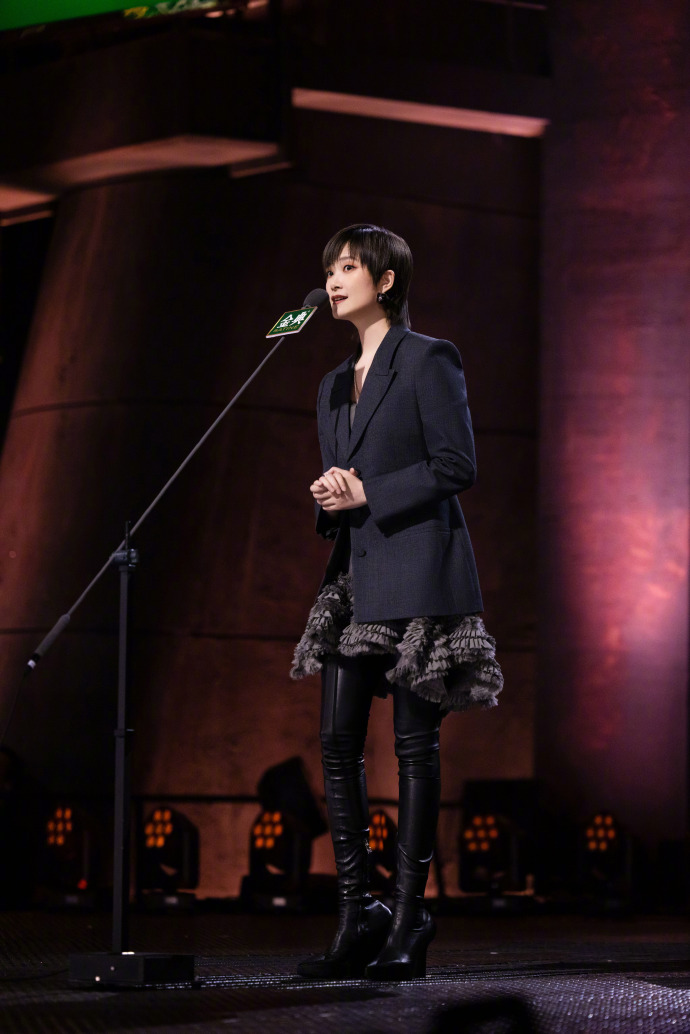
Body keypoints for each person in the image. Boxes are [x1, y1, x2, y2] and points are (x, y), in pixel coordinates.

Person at [291, 223, 503, 981]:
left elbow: (456, 463)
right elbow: (346, 483)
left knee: (414, 747)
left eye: (349, 267)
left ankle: (411, 916)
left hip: (419, 570)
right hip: (356, 575)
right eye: (330, 268)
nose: (334, 279)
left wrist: (368, 492)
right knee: (337, 742)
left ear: (385, 281)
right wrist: (332, 496)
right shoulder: (330, 383)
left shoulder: (427, 358)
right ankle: (359, 914)